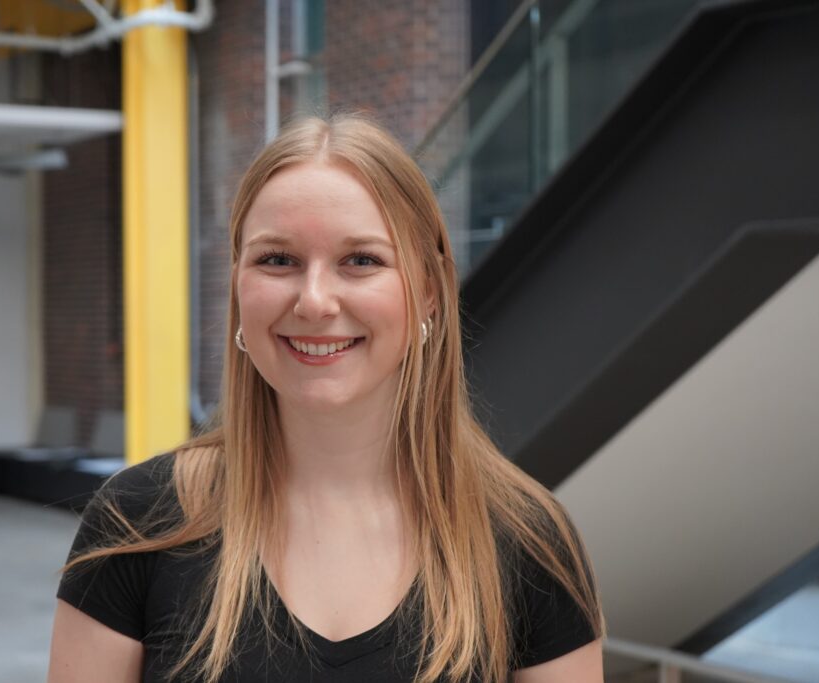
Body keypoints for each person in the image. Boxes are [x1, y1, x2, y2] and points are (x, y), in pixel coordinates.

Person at [47, 114, 604, 683]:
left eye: (361, 260)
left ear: (430, 293)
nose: (314, 301)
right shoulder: (139, 520)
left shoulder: (528, 539)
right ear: (239, 286)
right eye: (277, 260)